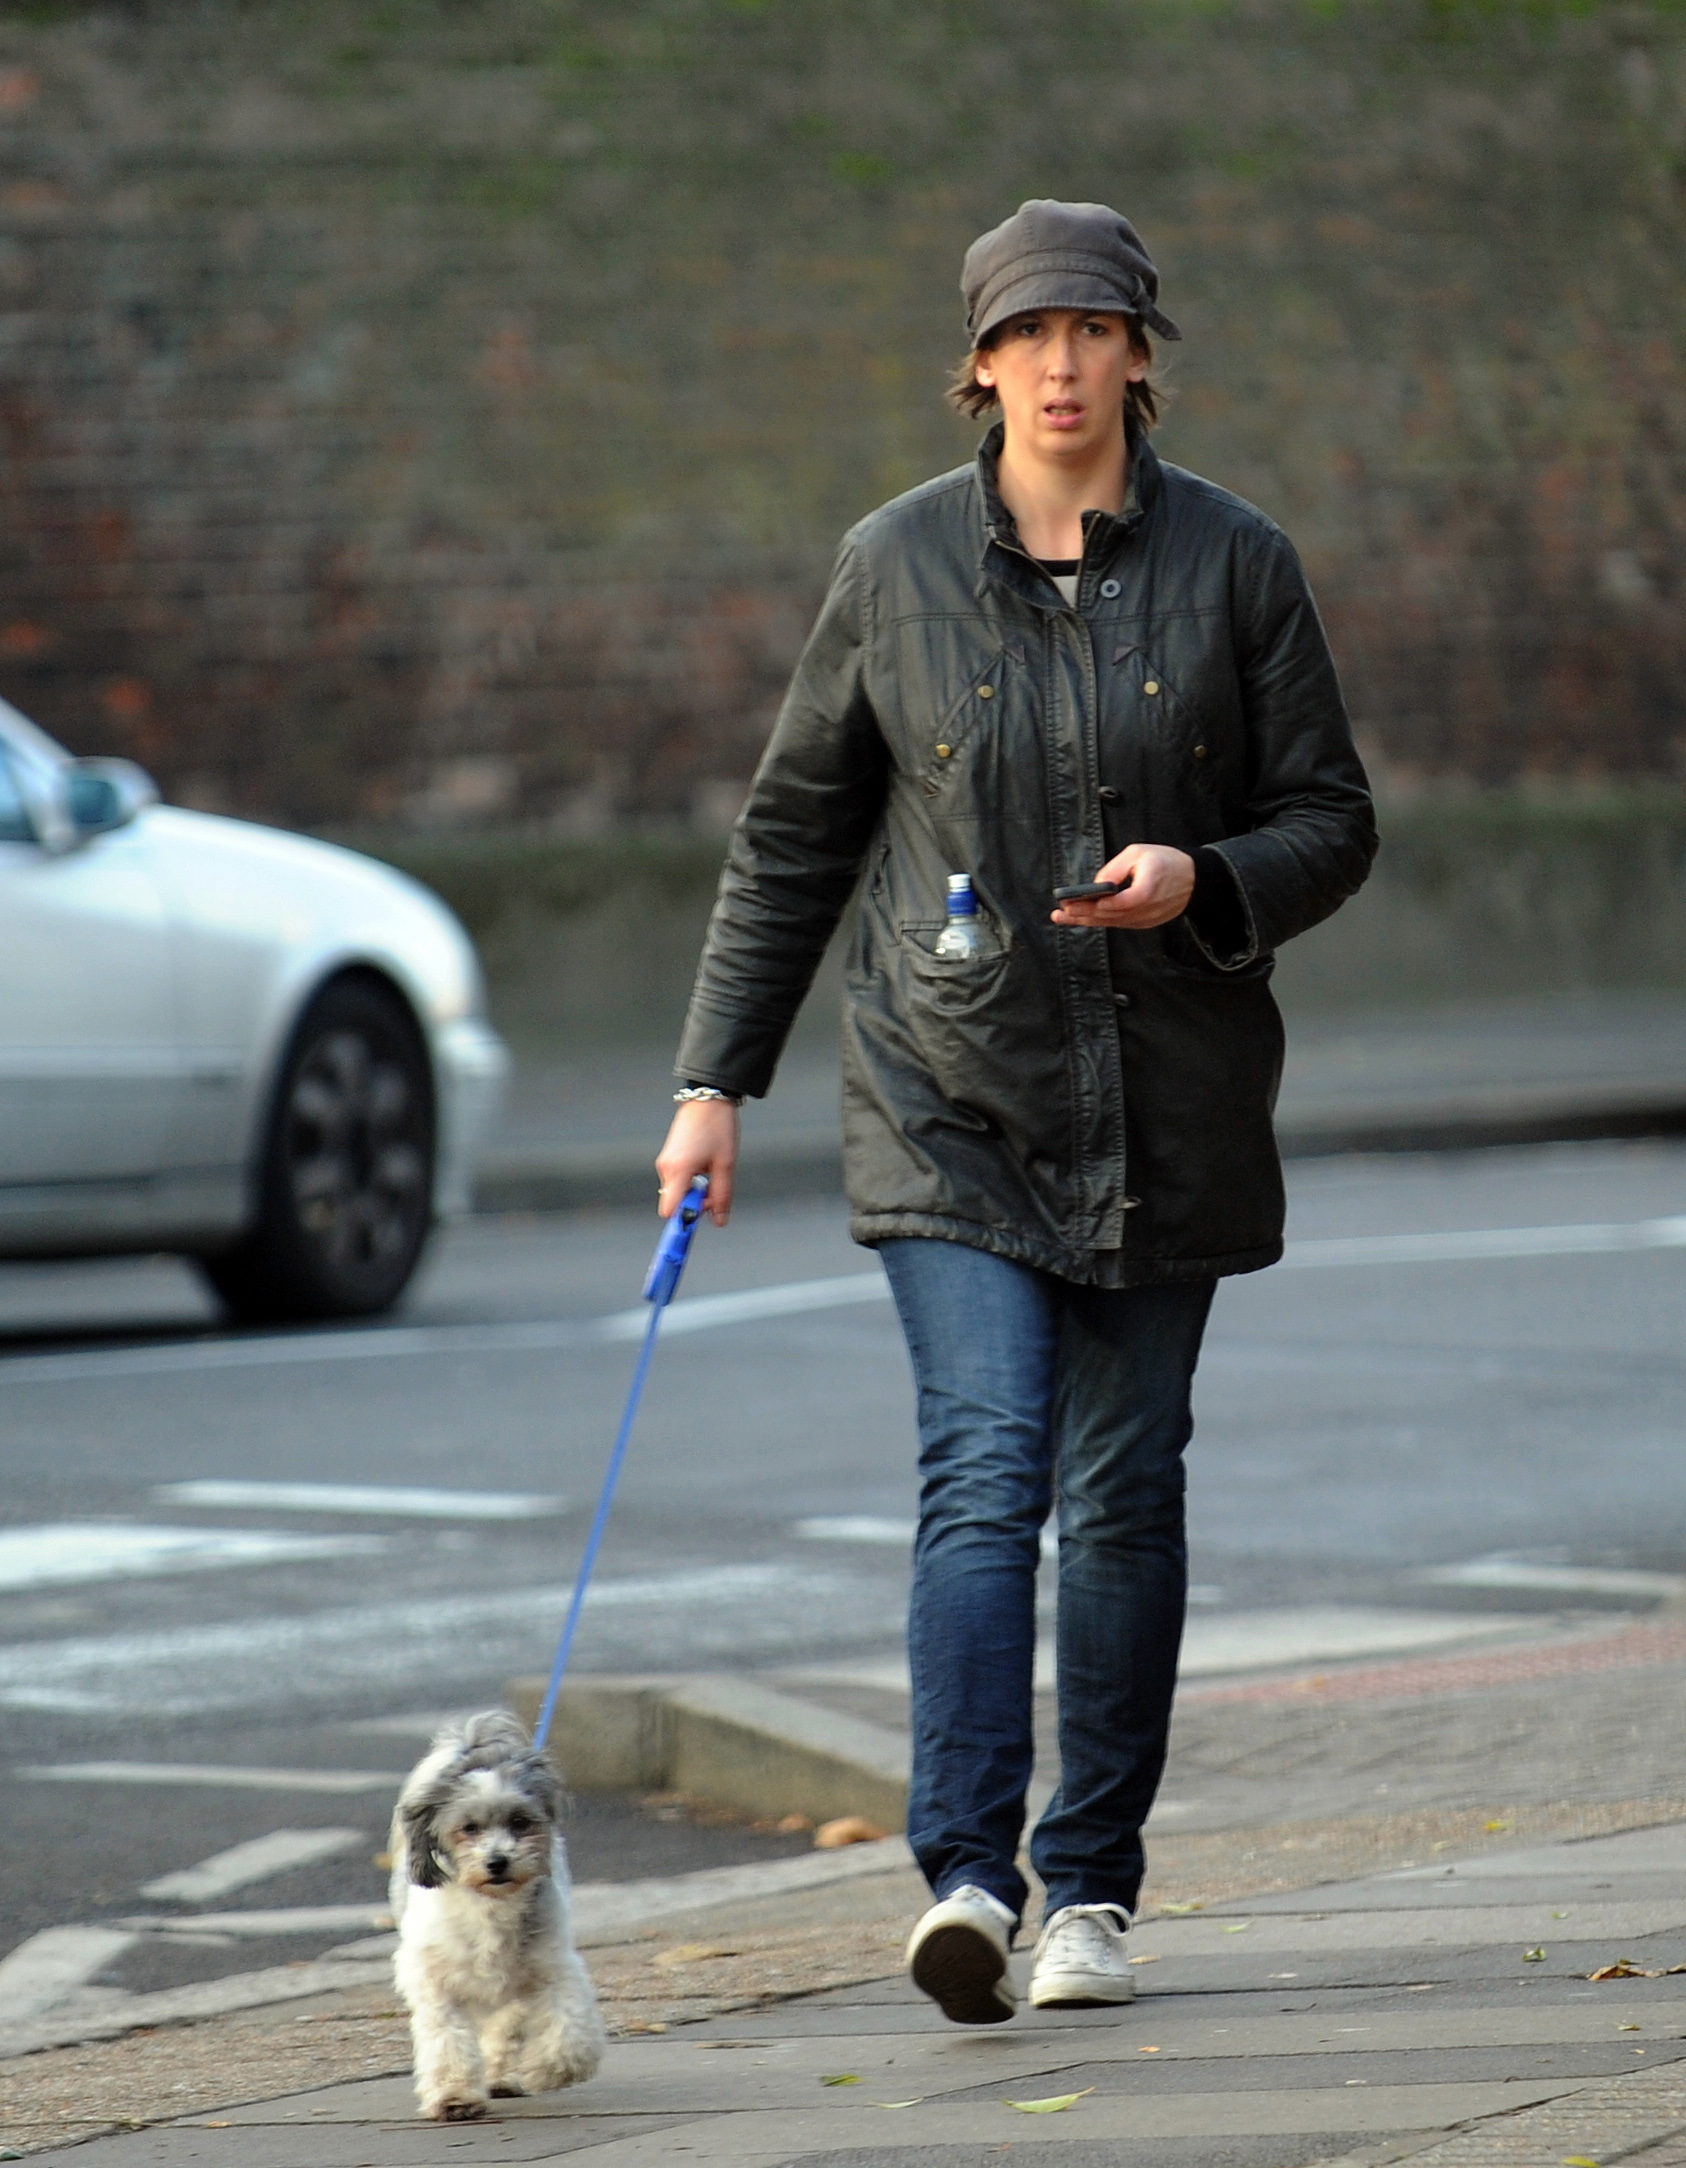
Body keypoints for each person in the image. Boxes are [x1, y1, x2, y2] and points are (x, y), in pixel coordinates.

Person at [655, 198, 1377, 2024]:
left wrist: (1201, 876)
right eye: (1025, 334)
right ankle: (965, 1875)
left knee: (1123, 1497)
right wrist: (708, 1082)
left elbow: (1331, 818)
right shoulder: (891, 564)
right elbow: (796, 836)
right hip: (945, 1096)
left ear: (1140, 351)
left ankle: (1088, 1895)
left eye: (1092, 329)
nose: (1060, 363)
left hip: (1171, 1103)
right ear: (978, 364)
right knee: (983, 1472)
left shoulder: (1238, 563)